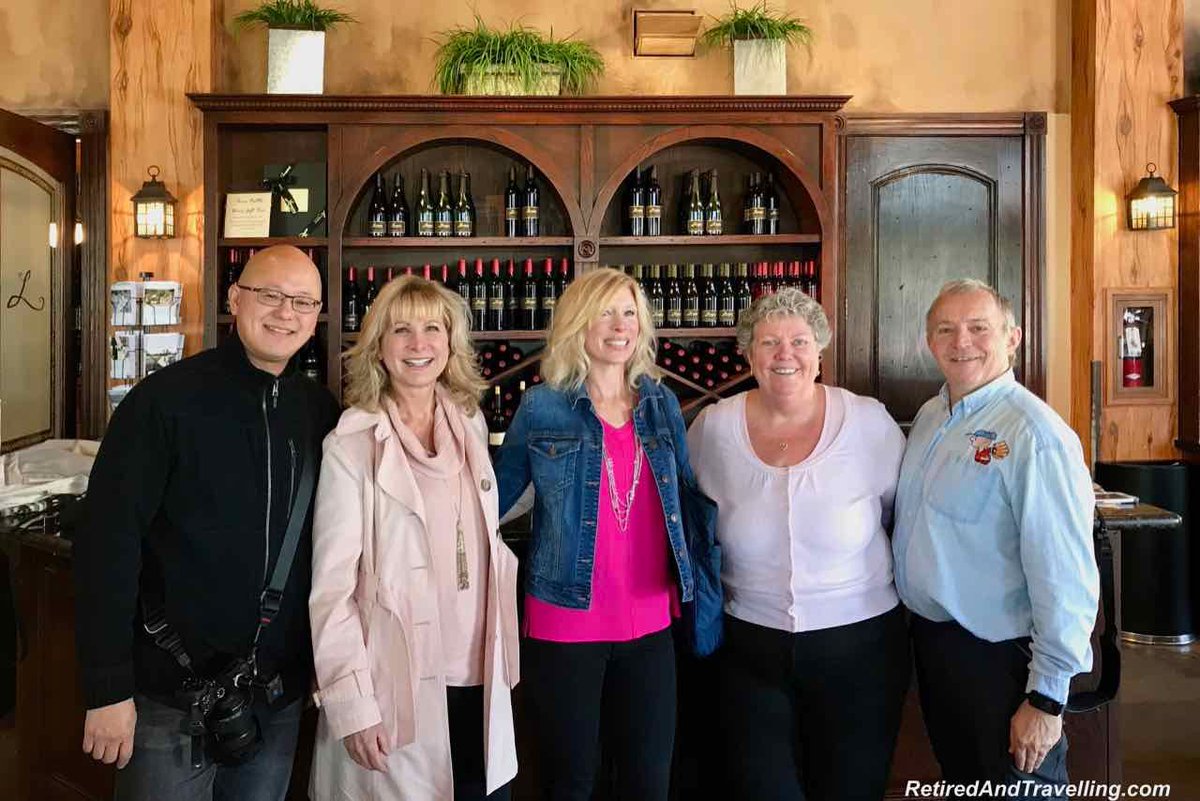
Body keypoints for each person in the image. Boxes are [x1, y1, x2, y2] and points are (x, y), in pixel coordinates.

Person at [74, 245, 341, 801]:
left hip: (274, 698)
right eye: (270, 295)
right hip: (168, 696)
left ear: (317, 315)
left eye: (303, 302)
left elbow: (332, 553)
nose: (285, 313)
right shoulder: (163, 401)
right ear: (235, 298)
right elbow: (106, 545)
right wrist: (107, 688)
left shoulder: (320, 412)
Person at [686, 287, 910, 800]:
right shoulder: (713, 428)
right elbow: (690, 519)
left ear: (819, 352)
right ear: (749, 355)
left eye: (799, 341)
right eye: (769, 342)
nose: (784, 354)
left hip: (859, 649)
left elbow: (899, 515)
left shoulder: (868, 422)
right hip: (747, 650)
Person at [308, 275, 519, 801]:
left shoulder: (469, 424)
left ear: (451, 343)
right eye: (401, 330)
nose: (418, 344)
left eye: (432, 329)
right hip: (395, 683)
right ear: (378, 347)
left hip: (479, 671)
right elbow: (332, 591)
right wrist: (353, 706)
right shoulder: (351, 445)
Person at [493, 267, 696, 801]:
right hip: (565, 620)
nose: (620, 326)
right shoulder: (542, 406)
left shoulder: (661, 404)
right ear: (578, 324)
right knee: (570, 783)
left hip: (651, 622)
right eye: (605, 313)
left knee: (647, 783)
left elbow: (688, 500)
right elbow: (492, 498)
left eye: (629, 313)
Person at [893, 279, 1099, 797]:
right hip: (939, 649)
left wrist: (1046, 700)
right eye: (946, 329)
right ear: (930, 342)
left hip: (1004, 661)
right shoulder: (932, 415)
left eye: (978, 328)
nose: (961, 341)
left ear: (1013, 338)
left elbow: (1065, 577)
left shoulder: (1036, 434)